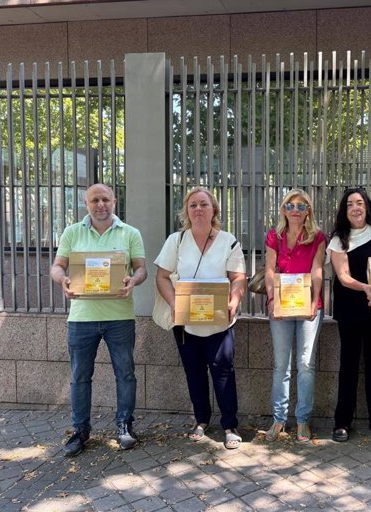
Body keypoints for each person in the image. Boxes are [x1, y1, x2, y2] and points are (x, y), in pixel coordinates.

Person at [50, 183, 148, 457]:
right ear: (86, 203)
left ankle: (125, 426)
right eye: (95, 200)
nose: (100, 204)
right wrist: (63, 279)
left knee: (125, 374)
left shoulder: (130, 233)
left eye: (105, 199)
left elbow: (142, 269)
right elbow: (57, 266)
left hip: (120, 317)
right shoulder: (72, 232)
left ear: (114, 201)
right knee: (80, 376)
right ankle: (80, 431)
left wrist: (133, 280)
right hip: (82, 318)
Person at [155, 187, 246, 450]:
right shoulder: (176, 240)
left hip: (219, 321)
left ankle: (230, 425)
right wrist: (174, 303)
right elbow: (162, 276)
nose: (198, 209)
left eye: (203, 204)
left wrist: (234, 301)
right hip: (186, 322)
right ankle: (201, 420)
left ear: (214, 209)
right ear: (186, 211)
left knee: (224, 374)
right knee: (194, 373)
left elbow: (238, 277)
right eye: (193, 205)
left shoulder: (229, 240)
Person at [328, 187, 371, 442]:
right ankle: (342, 422)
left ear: (367, 207)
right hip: (350, 307)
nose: (355, 208)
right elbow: (344, 277)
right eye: (350, 204)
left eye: (360, 203)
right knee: (348, 365)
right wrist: (367, 289)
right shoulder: (338, 239)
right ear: (344, 211)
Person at [264, 189, 327, 443]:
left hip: (308, 306)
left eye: (302, 206)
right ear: (283, 210)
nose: (296, 210)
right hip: (280, 305)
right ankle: (279, 419)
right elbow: (269, 270)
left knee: (305, 364)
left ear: (308, 211)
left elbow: (317, 270)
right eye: (291, 205)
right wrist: (271, 299)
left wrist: (314, 302)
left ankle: (303, 421)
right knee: (281, 365)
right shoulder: (273, 236)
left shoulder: (318, 236)